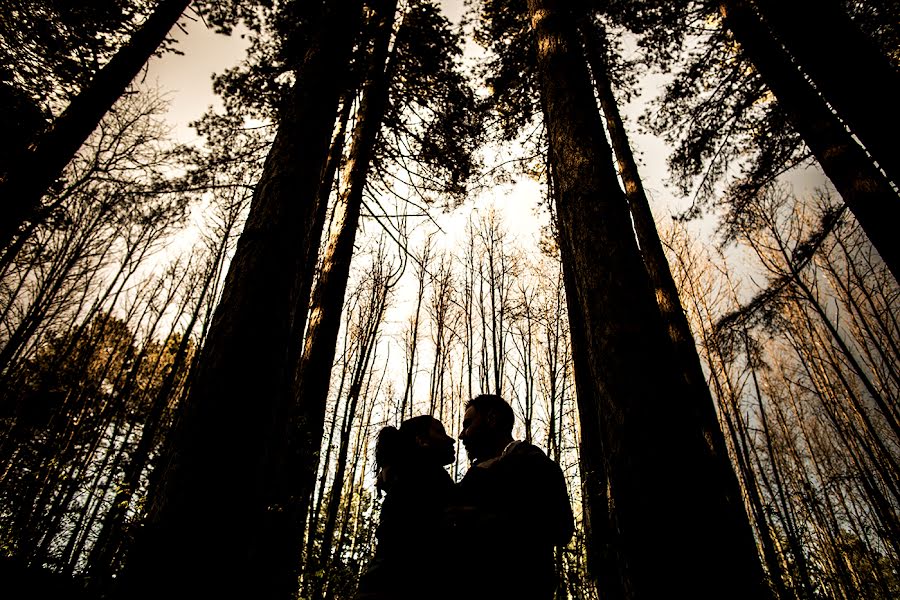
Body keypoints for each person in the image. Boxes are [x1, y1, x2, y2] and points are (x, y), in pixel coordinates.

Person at [455, 394, 574, 600]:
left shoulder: (534, 464)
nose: (462, 435)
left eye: (468, 424)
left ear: (492, 419)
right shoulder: (475, 474)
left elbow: (560, 529)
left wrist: (479, 520)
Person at [354, 415, 457, 600]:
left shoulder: (407, 478)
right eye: (440, 432)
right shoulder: (427, 479)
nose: (451, 439)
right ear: (421, 441)